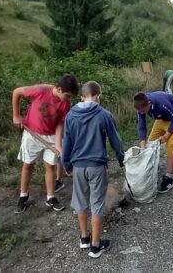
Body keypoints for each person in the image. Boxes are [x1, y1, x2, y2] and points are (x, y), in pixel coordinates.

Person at [62, 81, 124, 258]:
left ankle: (84, 238)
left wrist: (66, 164)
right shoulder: (104, 115)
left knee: (80, 201)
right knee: (96, 203)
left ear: (82, 97)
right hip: (97, 166)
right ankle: (96, 246)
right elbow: (116, 141)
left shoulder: (71, 116)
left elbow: (67, 143)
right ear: (98, 95)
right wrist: (120, 157)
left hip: (78, 166)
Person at [12, 74, 79, 213]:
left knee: (50, 166)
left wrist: (58, 144)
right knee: (28, 164)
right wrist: (16, 115)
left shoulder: (66, 103)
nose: (68, 99)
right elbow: (16, 92)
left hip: (51, 137)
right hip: (32, 134)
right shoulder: (41, 90)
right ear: (59, 89)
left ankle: (50, 197)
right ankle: (23, 195)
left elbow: (60, 123)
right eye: (67, 95)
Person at [133, 91, 173, 193]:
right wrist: (143, 146)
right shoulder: (141, 107)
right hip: (162, 118)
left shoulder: (162, 104)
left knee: (171, 145)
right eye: (140, 111)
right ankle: (153, 167)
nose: (142, 113)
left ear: (149, 104)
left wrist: (166, 136)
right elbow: (142, 126)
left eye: (144, 111)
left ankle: (169, 178)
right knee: (150, 143)